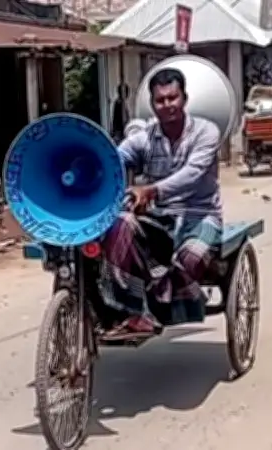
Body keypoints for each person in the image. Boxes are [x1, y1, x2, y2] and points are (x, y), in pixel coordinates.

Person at [99, 68, 222, 339]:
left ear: (184, 98)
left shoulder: (206, 132)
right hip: (159, 218)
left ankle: (165, 298)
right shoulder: (145, 137)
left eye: (172, 98)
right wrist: (95, 171)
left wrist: (151, 190)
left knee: (190, 259)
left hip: (199, 214)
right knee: (120, 224)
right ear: (153, 105)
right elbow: (116, 158)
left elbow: (192, 174)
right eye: (160, 101)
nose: (167, 105)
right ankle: (133, 312)